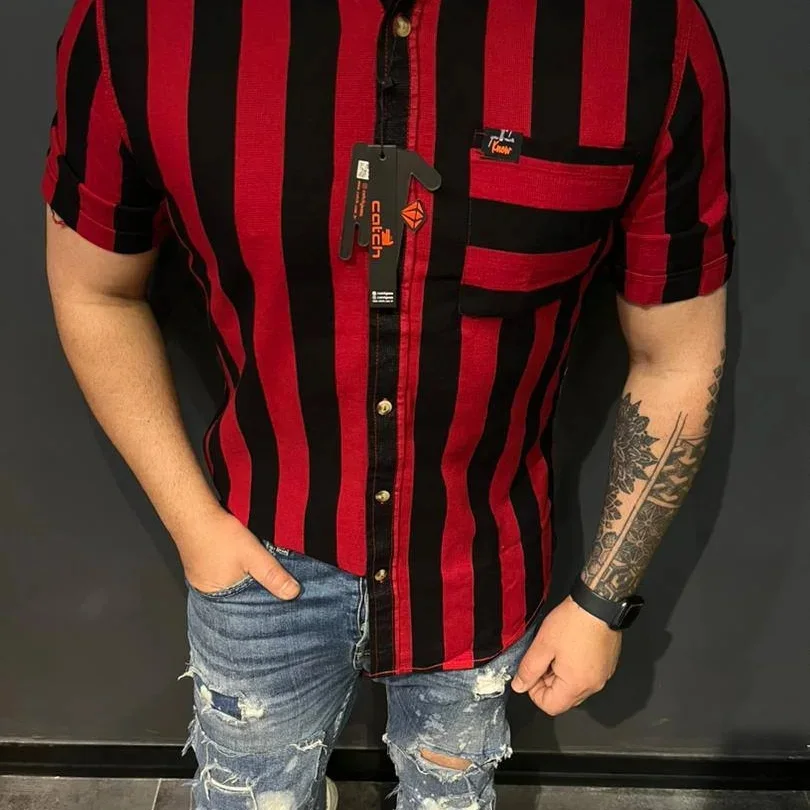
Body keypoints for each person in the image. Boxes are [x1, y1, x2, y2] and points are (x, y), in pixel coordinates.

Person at [42, 0, 733, 807]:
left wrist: (602, 602)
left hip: (481, 571)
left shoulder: (643, 34)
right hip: (257, 559)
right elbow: (94, 290)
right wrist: (195, 527)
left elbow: (677, 354)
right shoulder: (141, 24)